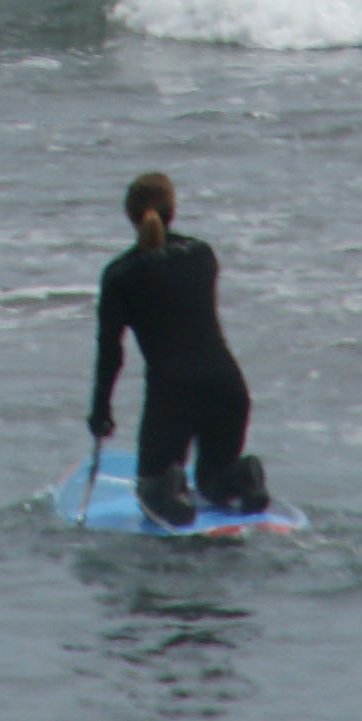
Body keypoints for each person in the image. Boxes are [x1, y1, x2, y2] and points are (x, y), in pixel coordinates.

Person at [86, 170, 263, 527]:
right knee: (215, 481)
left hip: (173, 396)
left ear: (131, 216)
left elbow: (111, 353)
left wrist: (101, 412)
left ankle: (169, 486)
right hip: (228, 389)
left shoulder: (120, 275)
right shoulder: (203, 255)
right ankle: (246, 477)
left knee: (149, 489)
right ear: (172, 210)